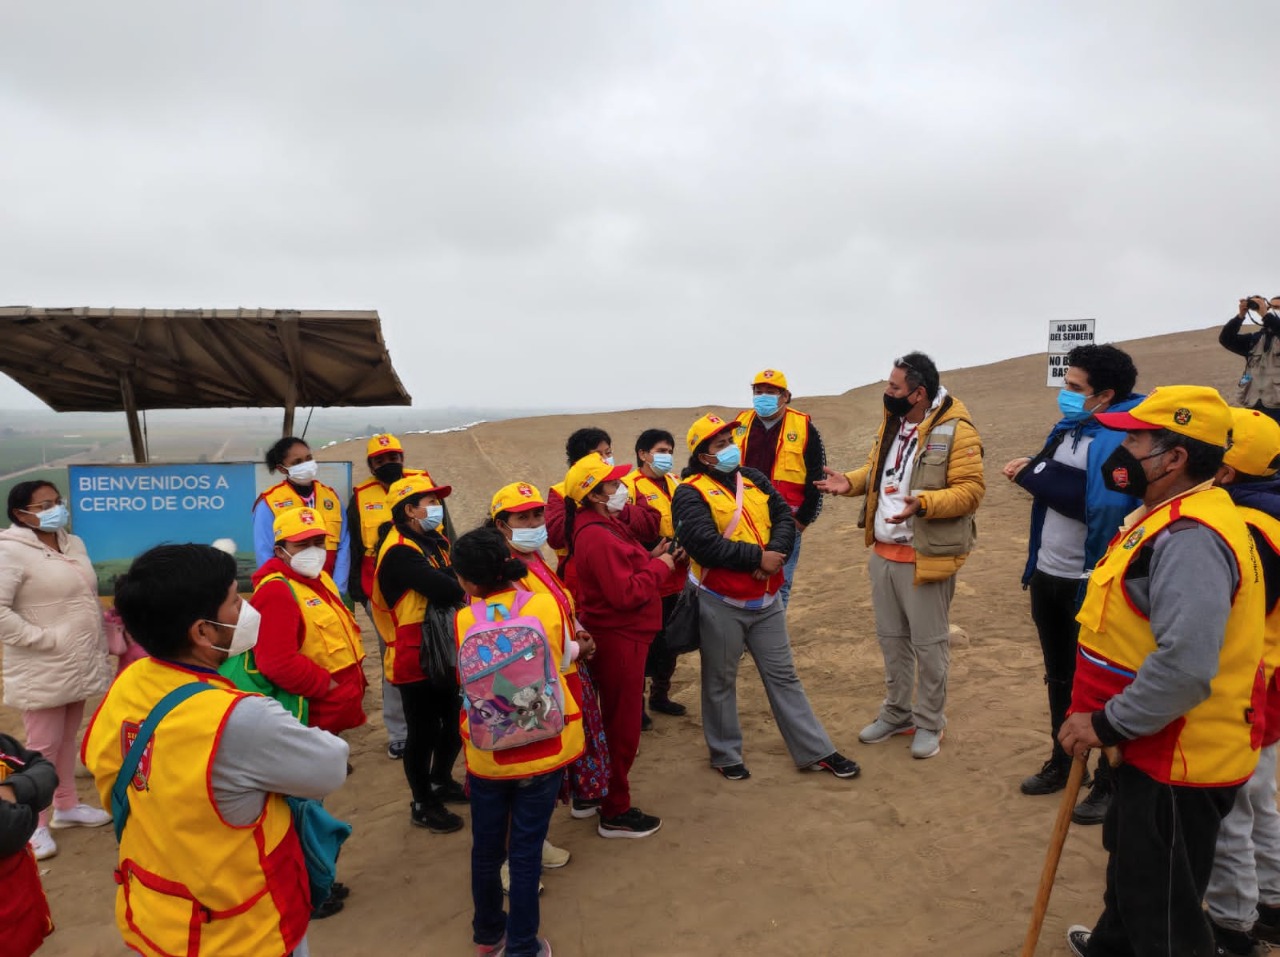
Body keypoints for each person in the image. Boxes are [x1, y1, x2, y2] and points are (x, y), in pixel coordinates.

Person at [1059, 386, 1265, 957]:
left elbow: (1186, 666)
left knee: (1166, 916)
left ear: (1173, 458)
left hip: (1178, 754)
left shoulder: (1191, 538)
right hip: (1149, 743)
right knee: (1133, 876)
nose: (1121, 449)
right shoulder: (1169, 516)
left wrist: (1105, 724)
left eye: (1135, 439)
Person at [81, 543, 350, 957]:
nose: (246, 609)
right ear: (202, 631)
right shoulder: (238, 717)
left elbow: (103, 767)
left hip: (154, 914)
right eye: (234, 601)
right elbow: (330, 766)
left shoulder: (130, 683)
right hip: (241, 931)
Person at [673, 413, 860, 782]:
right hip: (721, 603)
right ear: (703, 456)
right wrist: (756, 559)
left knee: (784, 676)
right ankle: (725, 754)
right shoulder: (688, 491)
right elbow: (703, 544)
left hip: (767, 601)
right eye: (720, 444)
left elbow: (784, 520)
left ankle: (816, 751)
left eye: (730, 440)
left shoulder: (754, 479)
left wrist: (774, 555)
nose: (729, 448)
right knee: (720, 680)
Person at [816, 352, 984, 760]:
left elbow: (971, 490)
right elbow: (881, 472)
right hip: (884, 555)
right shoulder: (892, 422)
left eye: (894, 388)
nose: (887, 393)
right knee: (892, 642)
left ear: (918, 394)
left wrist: (924, 503)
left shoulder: (956, 430)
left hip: (925, 557)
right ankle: (897, 713)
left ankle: (930, 722)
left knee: (929, 647)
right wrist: (851, 483)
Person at [1002, 344, 1142, 819]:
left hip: (1091, 577)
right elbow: (1060, 487)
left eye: (1074, 388)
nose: (1065, 395)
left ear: (1105, 394)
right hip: (1049, 571)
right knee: (1059, 674)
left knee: (1101, 681)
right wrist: (1039, 473)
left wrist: (1035, 476)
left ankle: (1109, 779)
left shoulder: (1123, 438)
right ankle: (1065, 760)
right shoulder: (1070, 428)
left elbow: (1102, 507)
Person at [452, 528, 586, 957]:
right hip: (542, 745)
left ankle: (489, 937)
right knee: (526, 853)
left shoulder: (464, 618)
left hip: (489, 752)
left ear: (469, 582)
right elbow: (564, 659)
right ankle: (523, 947)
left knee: (487, 851)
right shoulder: (543, 603)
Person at [0, 480, 113, 861]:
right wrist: (41, 638)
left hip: (77, 660)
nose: (55, 509)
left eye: (57, 501)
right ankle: (34, 823)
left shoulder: (71, 543)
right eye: (44, 504)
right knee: (40, 747)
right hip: (42, 664)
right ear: (21, 514)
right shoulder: (10, 552)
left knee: (66, 740)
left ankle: (65, 805)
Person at [562, 452, 672, 838]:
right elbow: (625, 593)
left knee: (607, 721)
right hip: (621, 636)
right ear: (593, 494)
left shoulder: (604, 524)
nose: (621, 489)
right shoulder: (595, 533)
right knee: (620, 725)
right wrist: (661, 568)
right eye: (612, 484)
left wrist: (650, 557)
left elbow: (625, 566)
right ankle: (615, 809)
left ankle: (592, 793)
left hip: (623, 633)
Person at [489, 481, 611, 828]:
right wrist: (575, 648)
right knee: (535, 767)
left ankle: (548, 830)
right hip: (536, 685)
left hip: (565, 671)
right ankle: (529, 846)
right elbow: (519, 641)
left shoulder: (534, 558)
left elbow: (559, 605)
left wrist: (579, 628)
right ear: (501, 524)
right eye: (522, 517)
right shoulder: (503, 572)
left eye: (538, 514)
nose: (533, 524)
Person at [1203, 407, 1280, 955]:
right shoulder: (1270, 511)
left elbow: (1231, 614)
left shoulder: (1249, 527)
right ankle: (1272, 902)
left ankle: (1232, 923)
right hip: (1271, 677)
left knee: (1229, 803)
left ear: (1225, 471)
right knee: (1259, 797)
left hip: (1248, 681)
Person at [371, 474, 468, 833]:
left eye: (436, 500)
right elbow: (446, 588)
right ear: (409, 509)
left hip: (442, 648)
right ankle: (422, 801)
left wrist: (453, 576)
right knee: (422, 731)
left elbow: (450, 579)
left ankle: (441, 779)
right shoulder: (399, 550)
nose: (436, 507)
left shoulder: (432, 540)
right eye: (428, 501)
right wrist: (459, 576)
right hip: (414, 655)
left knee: (454, 720)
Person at [347, 433, 452, 760]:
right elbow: (353, 544)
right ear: (371, 465)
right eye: (380, 460)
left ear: (402, 458)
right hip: (384, 591)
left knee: (441, 655)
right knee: (395, 659)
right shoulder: (360, 496)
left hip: (432, 577)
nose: (388, 464)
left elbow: (447, 529)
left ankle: (435, 726)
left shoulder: (423, 485)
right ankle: (400, 733)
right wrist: (356, 589)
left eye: (393, 457)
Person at [248, 506, 368, 736]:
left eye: (319, 542)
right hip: (313, 713)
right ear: (280, 551)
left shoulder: (321, 577)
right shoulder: (275, 591)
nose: (313, 551)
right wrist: (328, 686)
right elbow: (277, 662)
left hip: (334, 710)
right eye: (302, 545)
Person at [733, 369, 826, 607]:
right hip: (745, 518)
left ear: (785, 396)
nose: (763, 396)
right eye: (758, 391)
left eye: (770, 392)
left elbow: (817, 476)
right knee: (743, 576)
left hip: (786, 520)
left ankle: (772, 639)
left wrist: (802, 520)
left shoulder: (804, 427)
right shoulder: (739, 423)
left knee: (780, 582)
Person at [624, 428, 690, 724]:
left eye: (670, 451)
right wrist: (649, 554)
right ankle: (635, 706)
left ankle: (660, 695)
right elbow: (623, 533)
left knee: (672, 640)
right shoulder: (628, 486)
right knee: (644, 643)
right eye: (661, 450)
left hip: (679, 573)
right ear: (643, 453)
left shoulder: (677, 482)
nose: (667, 457)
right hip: (648, 574)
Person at [546, 427, 660, 574]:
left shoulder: (625, 485)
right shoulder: (560, 491)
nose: (606, 459)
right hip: (584, 573)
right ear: (579, 461)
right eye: (598, 454)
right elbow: (555, 538)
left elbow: (651, 527)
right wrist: (594, 512)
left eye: (608, 452)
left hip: (633, 566)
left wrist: (622, 511)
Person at [253, 435, 350, 598]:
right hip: (292, 590)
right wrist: (286, 591)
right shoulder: (269, 502)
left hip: (330, 587)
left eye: (308, 458)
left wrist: (338, 587)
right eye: (297, 462)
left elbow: (344, 544)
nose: (306, 465)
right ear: (282, 469)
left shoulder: (331, 497)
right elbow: (265, 554)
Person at [0, 732, 56, 955]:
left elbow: (43, 769)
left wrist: (13, 790)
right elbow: (7, 830)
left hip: (15, 911)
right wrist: (30, 807)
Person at [1220, 295, 1280, 424]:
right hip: (1253, 403)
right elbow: (1226, 339)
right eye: (1270, 307)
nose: (1272, 310)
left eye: (1277, 308)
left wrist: (1265, 313)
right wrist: (1240, 316)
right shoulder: (1255, 339)